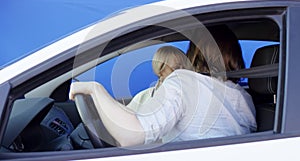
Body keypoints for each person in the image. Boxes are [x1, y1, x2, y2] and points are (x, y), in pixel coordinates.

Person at [69, 44, 256, 147]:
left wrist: (95, 89)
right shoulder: (245, 98)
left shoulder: (184, 82)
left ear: (192, 55)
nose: (175, 71)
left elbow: (131, 136)